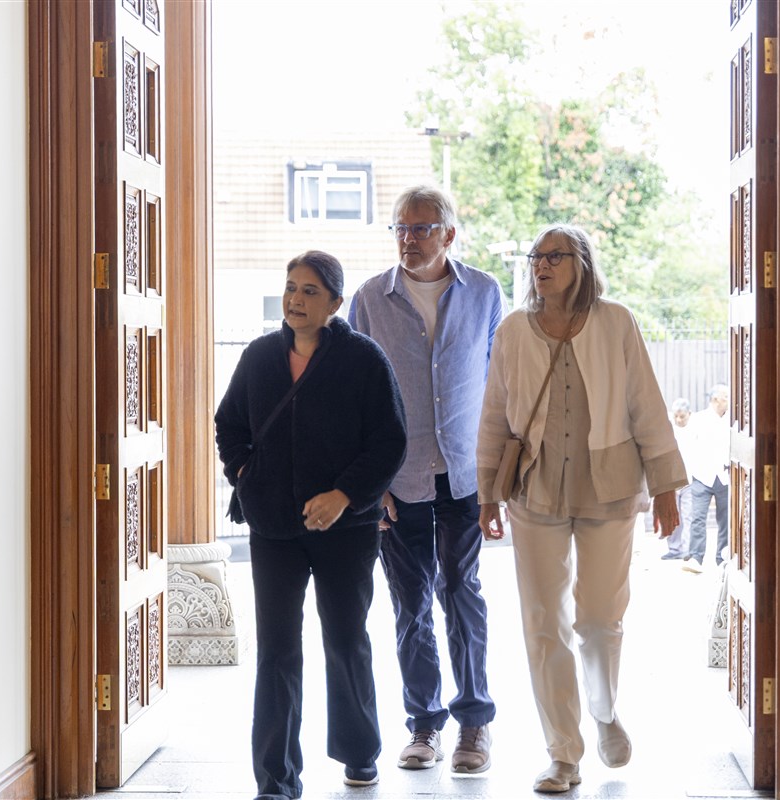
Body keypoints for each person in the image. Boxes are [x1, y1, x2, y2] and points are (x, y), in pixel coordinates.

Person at [476, 223, 686, 793]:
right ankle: (563, 753)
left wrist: (665, 486)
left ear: (582, 263)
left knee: (598, 619)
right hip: (533, 488)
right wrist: (487, 493)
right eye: (536, 257)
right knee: (544, 623)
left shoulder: (616, 321)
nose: (542, 265)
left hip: (608, 485)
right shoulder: (512, 329)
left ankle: (603, 708)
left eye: (555, 256)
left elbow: (646, 403)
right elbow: (494, 413)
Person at [215, 251, 408, 800]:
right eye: (291, 288)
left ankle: (359, 753)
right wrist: (245, 473)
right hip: (273, 528)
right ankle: (275, 778)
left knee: (345, 640)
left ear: (335, 303)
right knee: (276, 649)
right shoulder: (259, 357)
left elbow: (390, 440)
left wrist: (344, 495)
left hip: (345, 531)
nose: (295, 300)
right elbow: (229, 423)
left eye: (310, 291)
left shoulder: (364, 359)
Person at [348, 185, 503, 774]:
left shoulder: (484, 292)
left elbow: (500, 385)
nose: (408, 239)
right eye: (400, 228)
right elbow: (356, 397)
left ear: (449, 234)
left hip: (465, 474)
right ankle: (424, 724)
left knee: (462, 592)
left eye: (421, 228)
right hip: (397, 477)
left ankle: (474, 724)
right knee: (410, 604)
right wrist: (371, 483)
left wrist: (497, 476)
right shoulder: (370, 298)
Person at [682, 383, 730, 573]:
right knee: (698, 517)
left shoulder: (732, 421)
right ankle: (696, 557)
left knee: (725, 519)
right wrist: (688, 475)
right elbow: (687, 447)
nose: (729, 401)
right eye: (726, 397)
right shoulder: (699, 419)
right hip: (702, 476)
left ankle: (722, 558)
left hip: (725, 476)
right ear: (716, 399)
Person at [660, 397, 694, 560]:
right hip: (671, 481)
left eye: (682, 416)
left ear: (689, 414)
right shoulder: (667, 430)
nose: (679, 420)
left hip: (690, 480)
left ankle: (687, 550)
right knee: (673, 516)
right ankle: (674, 549)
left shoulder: (695, 430)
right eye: (676, 416)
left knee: (688, 516)